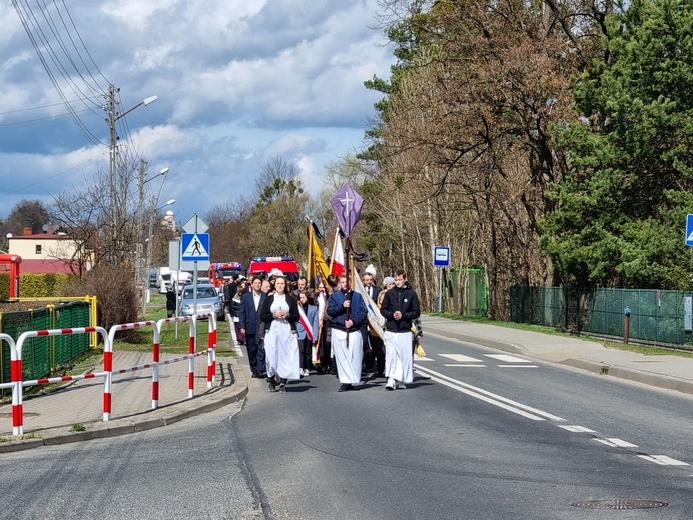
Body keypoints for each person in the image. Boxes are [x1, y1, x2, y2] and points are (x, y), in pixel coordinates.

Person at [380, 269, 421, 390]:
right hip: (391, 329)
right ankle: (391, 379)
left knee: (404, 356)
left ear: (405, 279)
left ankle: (400, 379)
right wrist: (392, 315)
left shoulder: (411, 294)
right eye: (396, 280)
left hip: (405, 330)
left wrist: (404, 315)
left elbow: (416, 312)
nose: (397, 282)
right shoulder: (389, 294)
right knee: (392, 355)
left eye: (400, 280)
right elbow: (383, 310)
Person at [327, 273, 368, 392]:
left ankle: (353, 379)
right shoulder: (334, 297)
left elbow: (363, 312)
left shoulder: (358, 296)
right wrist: (342, 306)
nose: (345, 284)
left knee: (354, 356)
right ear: (340, 282)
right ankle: (345, 381)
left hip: (354, 330)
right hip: (339, 329)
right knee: (342, 357)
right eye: (343, 282)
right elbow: (330, 311)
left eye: (347, 282)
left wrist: (353, 321)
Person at [260, 275, 300, 393]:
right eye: (278, 284)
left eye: (282, 284)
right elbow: (262, 316)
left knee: (284, 355)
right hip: (272, 329)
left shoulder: (291, 299)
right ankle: (271, 379)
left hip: (286, 329)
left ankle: (283, 381)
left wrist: (287, 315)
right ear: (274, 285)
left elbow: (296, 316)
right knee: (272, 356)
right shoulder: (268, 299)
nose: (280, 286)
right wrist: (274, 315)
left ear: (285, 285)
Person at [238, 276, 267, 379]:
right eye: (255, 283)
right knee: (251, 350)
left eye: (259, 283)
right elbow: (241, 312)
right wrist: (242, 325)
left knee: (261, 349)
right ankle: (254, 369)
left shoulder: (265, 296)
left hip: (261, 328)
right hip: (249, 326)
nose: (257, 285)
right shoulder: (246, 297)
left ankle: (260, 370)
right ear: (252, 285)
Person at [296, 291, 319, 377]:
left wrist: (315, 335)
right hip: (300, 332)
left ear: (308, 298)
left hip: (309, 332)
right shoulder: (298, 308)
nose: (301, 299)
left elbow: (315, 323)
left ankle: (306, 368)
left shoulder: (314, 308)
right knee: (301, 350)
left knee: (307, 351)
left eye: (303, 297)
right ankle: (300, 367)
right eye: (300, 298)